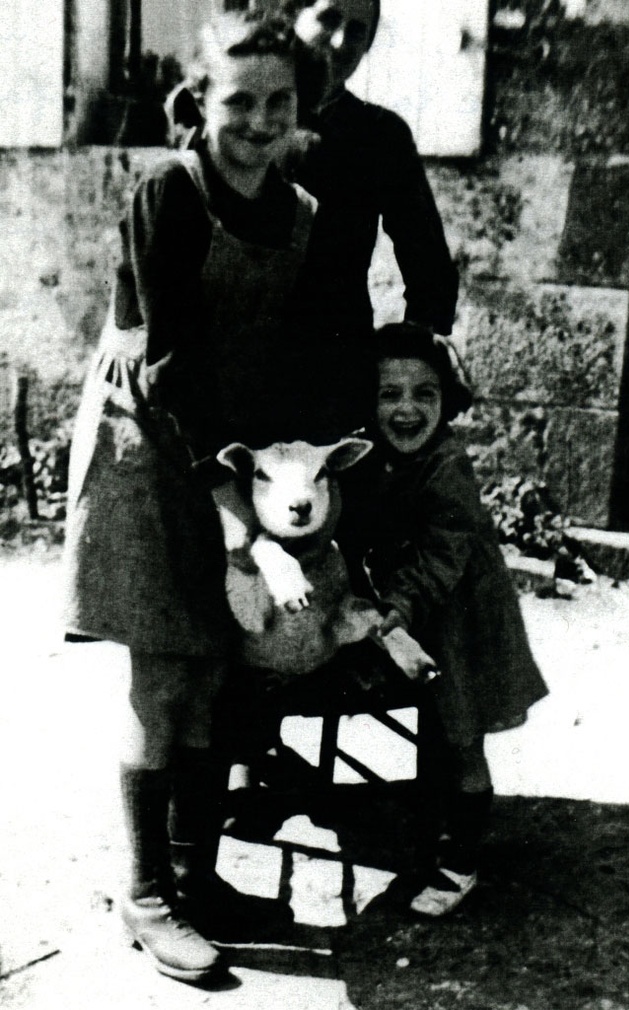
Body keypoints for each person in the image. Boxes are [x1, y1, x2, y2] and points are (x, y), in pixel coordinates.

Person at [63, 8, 315, 983]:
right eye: (237, 100)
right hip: (147, 452)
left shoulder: (296, 211)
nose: (257, 120)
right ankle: (147, 894)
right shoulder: (166, 194)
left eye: (277, 102)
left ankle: (195, 876)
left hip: (230, 456)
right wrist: (229, 507)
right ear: (198, 103)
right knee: (164, 677)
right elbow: (166, 365)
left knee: (215, 673)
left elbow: (287, 355)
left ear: (300, 108)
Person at [338, 323, 549, 916]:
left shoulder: (447, 465)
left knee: (459, 735)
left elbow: (439, 558)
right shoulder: (369, 457)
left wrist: (393, 613)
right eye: (389, 395)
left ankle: (460, 862)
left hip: (462, 612)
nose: (407, 410)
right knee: (432, 720)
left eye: (423, 394)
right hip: (412, 605)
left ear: (445, 401)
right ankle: (432, 826)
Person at [291, 0, 459, 340]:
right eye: (328, 19)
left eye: (356, 32)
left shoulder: (380, 134)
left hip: (332, 358)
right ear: (293, 18)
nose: (339, 42)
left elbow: (431, 271)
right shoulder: (240, 122)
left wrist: (411, 357)